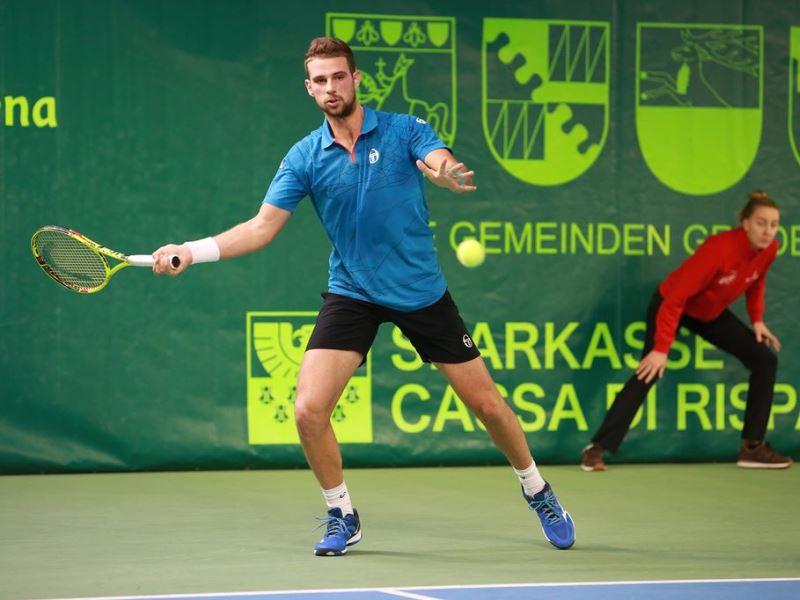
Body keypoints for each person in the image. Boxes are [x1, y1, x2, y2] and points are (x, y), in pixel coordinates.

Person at [152, 37, 575, 555]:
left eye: (338, 76)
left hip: (420, 291)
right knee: (308, 409)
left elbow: (437, 158)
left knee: (487, 405)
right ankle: (342, 514)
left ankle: (537, 490)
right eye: (320, 80)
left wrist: (443, 171)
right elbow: (261, 228)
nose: (331, 87)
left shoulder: (403, 129)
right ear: (310, 89)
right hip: (353, 291)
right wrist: (191, 251)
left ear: (355, 79)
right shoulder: (304, 157)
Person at [581, 190, 793, 472]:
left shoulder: (770, 249)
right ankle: (596, 448)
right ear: (745, 223)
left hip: (708, 313)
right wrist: (661, 349)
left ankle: (752, 448)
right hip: (671, 304)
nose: (768, 231)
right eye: (761, 223)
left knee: (765, 359)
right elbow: (674, 300)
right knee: (649, 370)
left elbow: (756, 282)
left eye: (774, 224)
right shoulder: (719, 249)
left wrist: (757, 320)